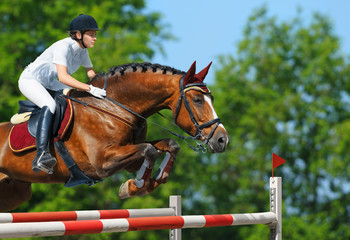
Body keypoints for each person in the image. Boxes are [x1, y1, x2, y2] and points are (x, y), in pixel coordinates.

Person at [18, 14, 106, 174]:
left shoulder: (83, 52)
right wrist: (90, 89)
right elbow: (64, 77)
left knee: (77, 99)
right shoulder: (63, 47)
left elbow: (92, 75)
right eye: (91, 35)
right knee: (50, 104)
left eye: (95, 35)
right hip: (30, 80)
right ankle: (41, 155)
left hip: (49, 82)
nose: (95, 38)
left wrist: (107, 87)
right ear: (79, 35)